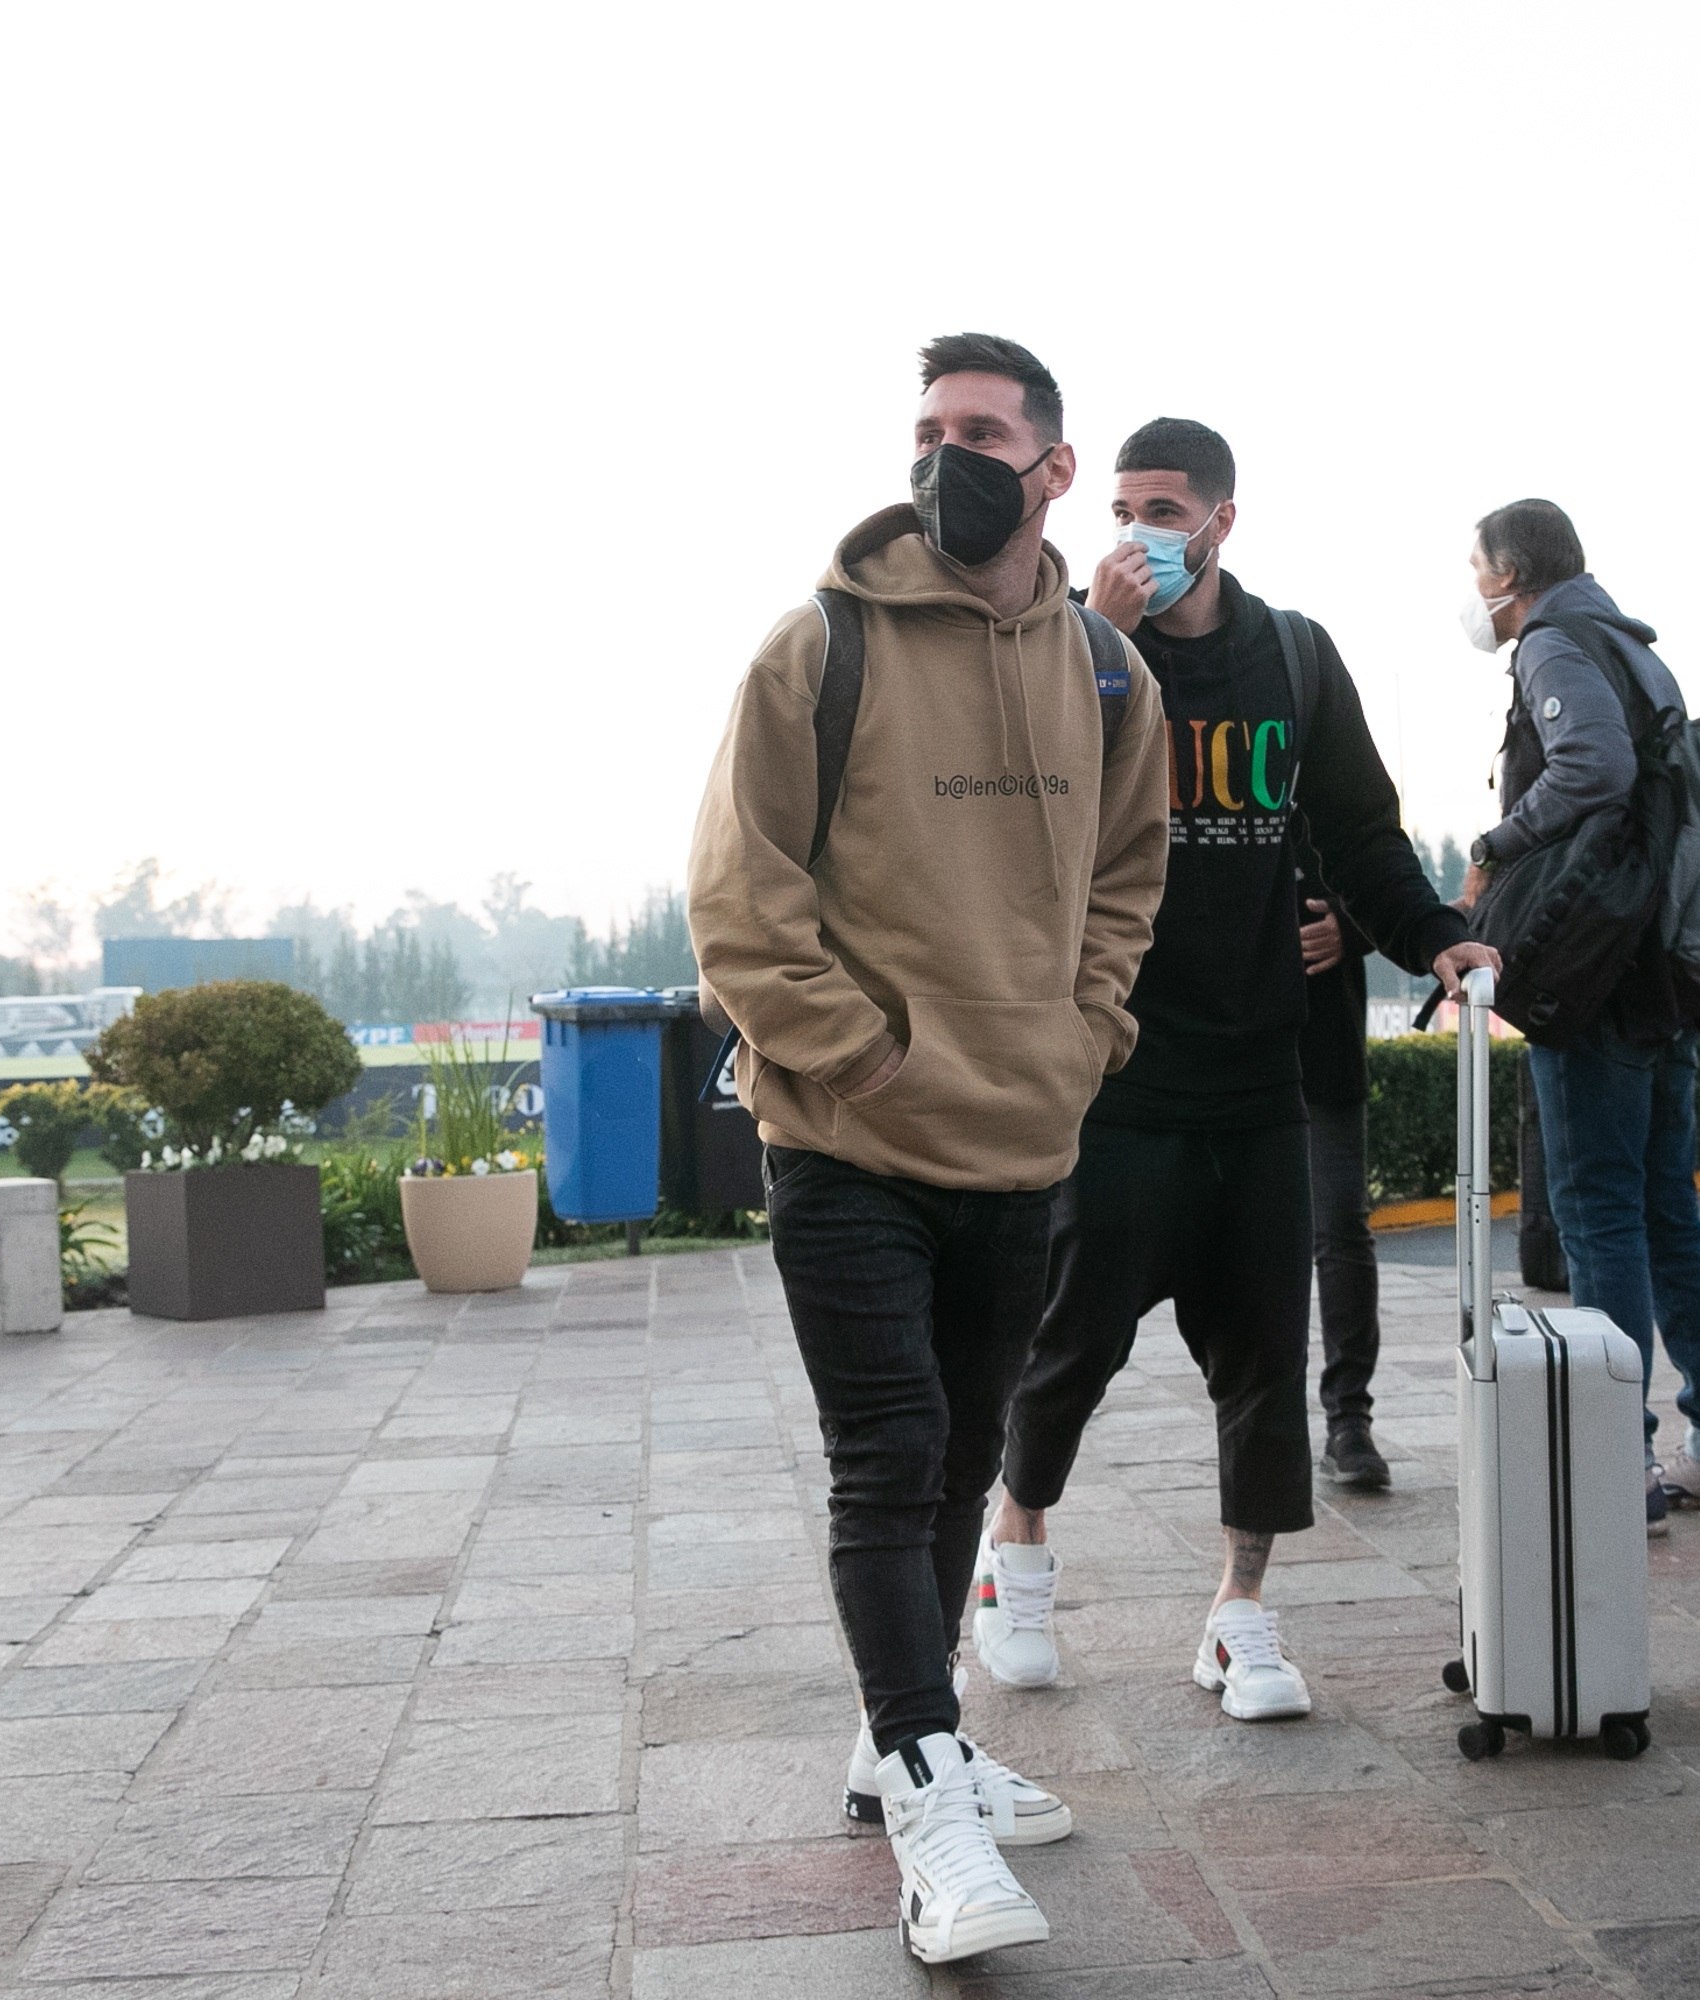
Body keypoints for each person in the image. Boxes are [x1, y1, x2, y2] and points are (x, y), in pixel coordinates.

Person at [686, 334, 1170, 1966]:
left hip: (1021, 1136)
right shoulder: (816, 648)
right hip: (846, 1140)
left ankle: (903, 1734)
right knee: (892, 1460)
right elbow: (737, 900)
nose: (945, 455)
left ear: (1050, 467)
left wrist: (1077, 1035)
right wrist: (862, 1050)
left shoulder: (1111, 673)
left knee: (966, 1455)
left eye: (980, 432)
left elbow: (1128, 882)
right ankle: (929, 1808)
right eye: (926, 430)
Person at [981, 418, 1496, 1723]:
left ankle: (1240, 1612)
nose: (1141, 530)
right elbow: (1014, 799)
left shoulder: (1293, 659)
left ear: (1223, 519)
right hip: (1117, 1070)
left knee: (1268, 1357)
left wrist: (1433, 937)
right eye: (1123, 507)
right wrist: (1101, 637)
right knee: (1068, 1342)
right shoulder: (1077, 645)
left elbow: (1364, 834)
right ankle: (1017, 1556)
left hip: (1259, 1067)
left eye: (1167, 508)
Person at [1452, 497, 1700, 1536]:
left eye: (1475, 567)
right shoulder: (1634, 646)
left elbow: (1595, 766)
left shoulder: (1553, 642)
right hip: (1658, 969)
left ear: (1509, 572)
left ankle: (1614, 1455)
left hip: (1595, 971)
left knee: (1598, 1211)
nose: (1472, 588)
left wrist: (1502, 841)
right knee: (1664, 1208)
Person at [1295, 880, 1390, 1488]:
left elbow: (1384, 868)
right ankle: (1260, 1416)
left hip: (1323, 1032)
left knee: (1340, 1229)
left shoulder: (1333, 779)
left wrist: (1352, 925)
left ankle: (1349, 1421)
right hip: (1214, 1034)